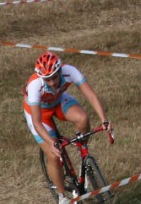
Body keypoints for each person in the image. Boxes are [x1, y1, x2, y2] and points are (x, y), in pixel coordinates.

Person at [24, 52, 113, 204]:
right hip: (39, 114)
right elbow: (37, 122)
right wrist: (51, 143)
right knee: (53, 155)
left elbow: (91, 95)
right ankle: (62, 197)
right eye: (47, 79)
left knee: (83, 119)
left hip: (58, 101)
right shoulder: (34, 85)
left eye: (54, 77)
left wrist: (104, 119)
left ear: (60, 71)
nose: (52, 82)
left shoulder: (70, 71)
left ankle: (83, 153)